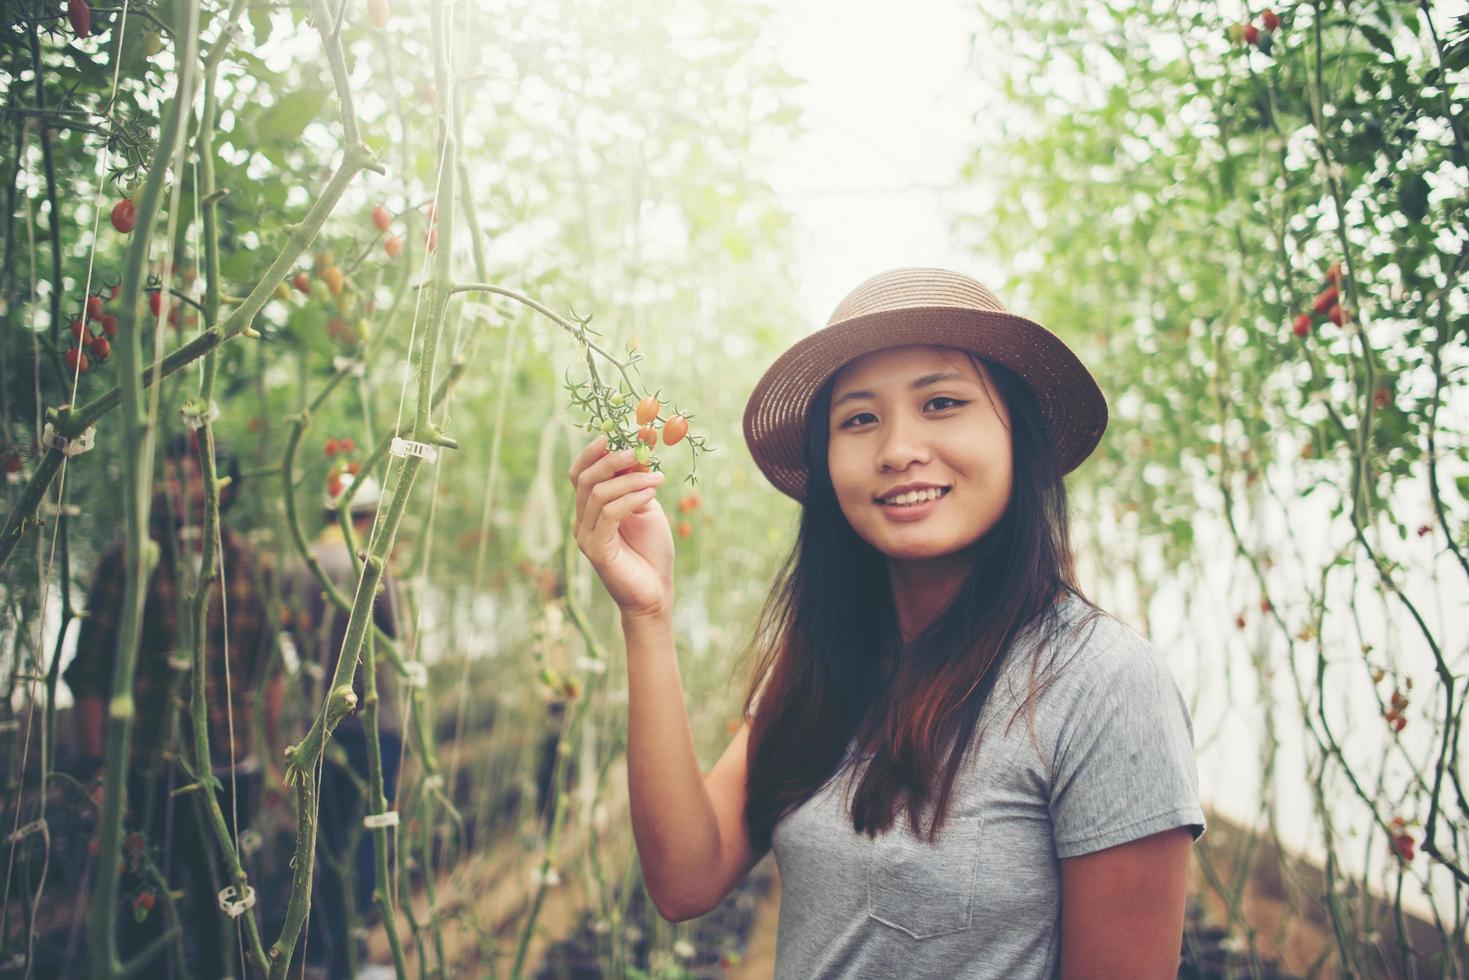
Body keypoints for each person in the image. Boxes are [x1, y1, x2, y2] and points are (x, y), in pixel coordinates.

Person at [568, 268, 1206, 978]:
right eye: (860, 418)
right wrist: (646, 614)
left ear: (1016, 438)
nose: (897, 448)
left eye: (940, 402)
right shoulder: (824, 665)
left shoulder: (1101, 684)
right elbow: (686, 878)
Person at [64, 432, 282, 978]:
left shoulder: (250, 564)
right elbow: (87, 672)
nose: (177, 488)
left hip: (231, 771)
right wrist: (96, 770)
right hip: (146, 773)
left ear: (219, 489)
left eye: (191, 476)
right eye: (170, 475)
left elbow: (271, 668)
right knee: (145, 910)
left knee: (227, 909)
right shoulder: (130, 561)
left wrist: (269, 755)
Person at [284, 474, 404, 980]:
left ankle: (322, 954)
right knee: (364, 842)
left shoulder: (298, 565)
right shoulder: (373, 568)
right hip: (371, 724)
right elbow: (394, 640)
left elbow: (286, 637)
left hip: (315, 727)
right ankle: (351, 954)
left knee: (323, 844)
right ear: (367, 516)